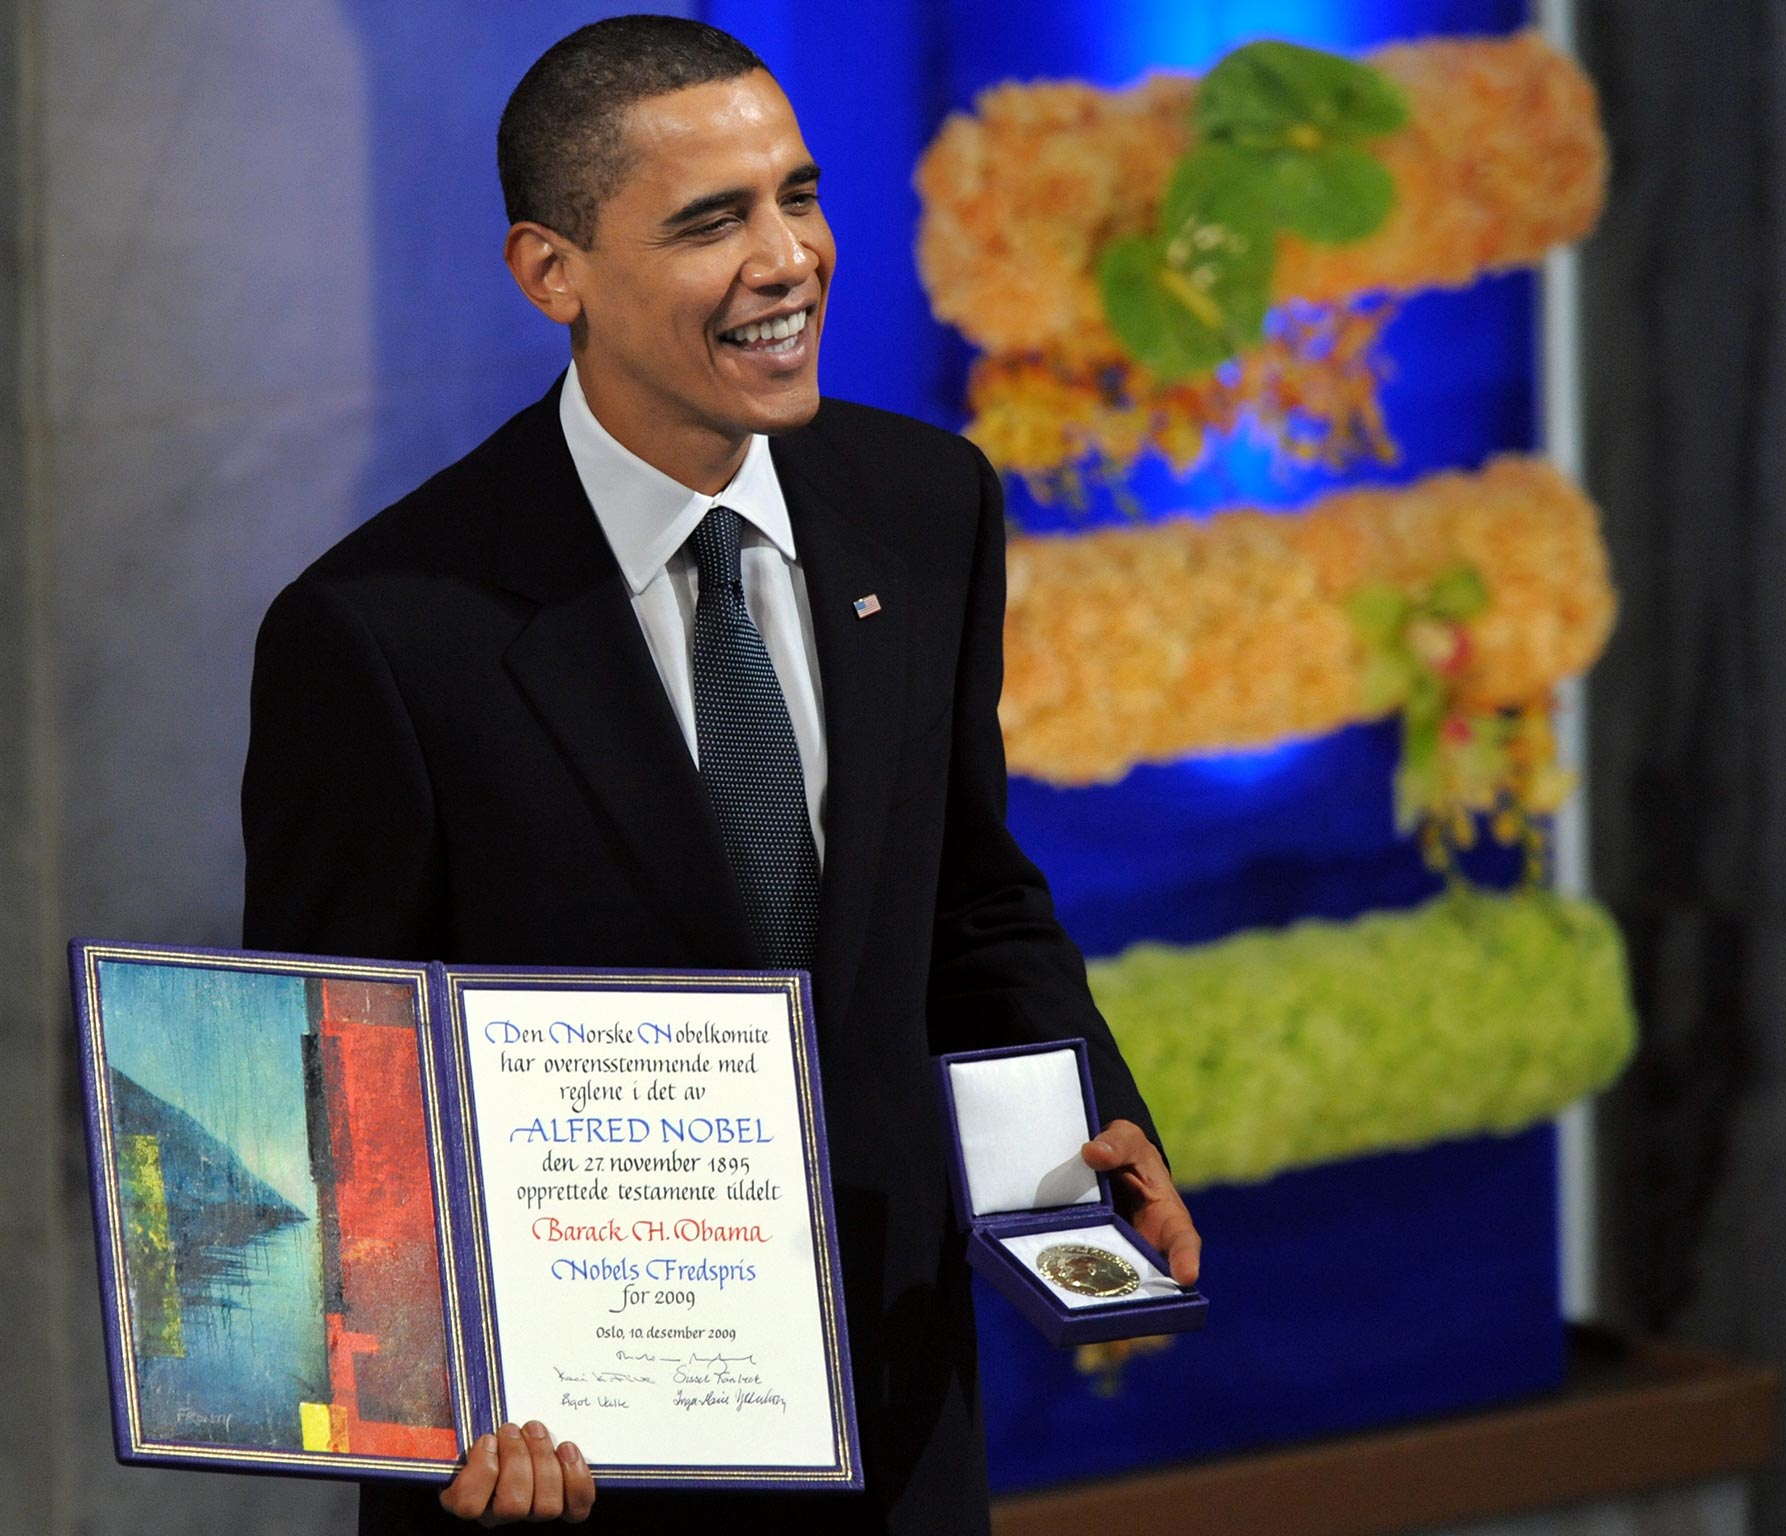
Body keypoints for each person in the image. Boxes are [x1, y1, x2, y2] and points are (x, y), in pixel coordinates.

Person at [240, 15, 1200, 1534]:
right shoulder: (379, 634)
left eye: (798, 197)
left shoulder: (927, 503)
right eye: (713, 221)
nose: (789, 258)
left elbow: (967, 891)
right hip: (567, 1476)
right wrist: (434, 1406)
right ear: (551, 272)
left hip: (897, 1428)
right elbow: (324, 1097)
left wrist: (1090, 1117)